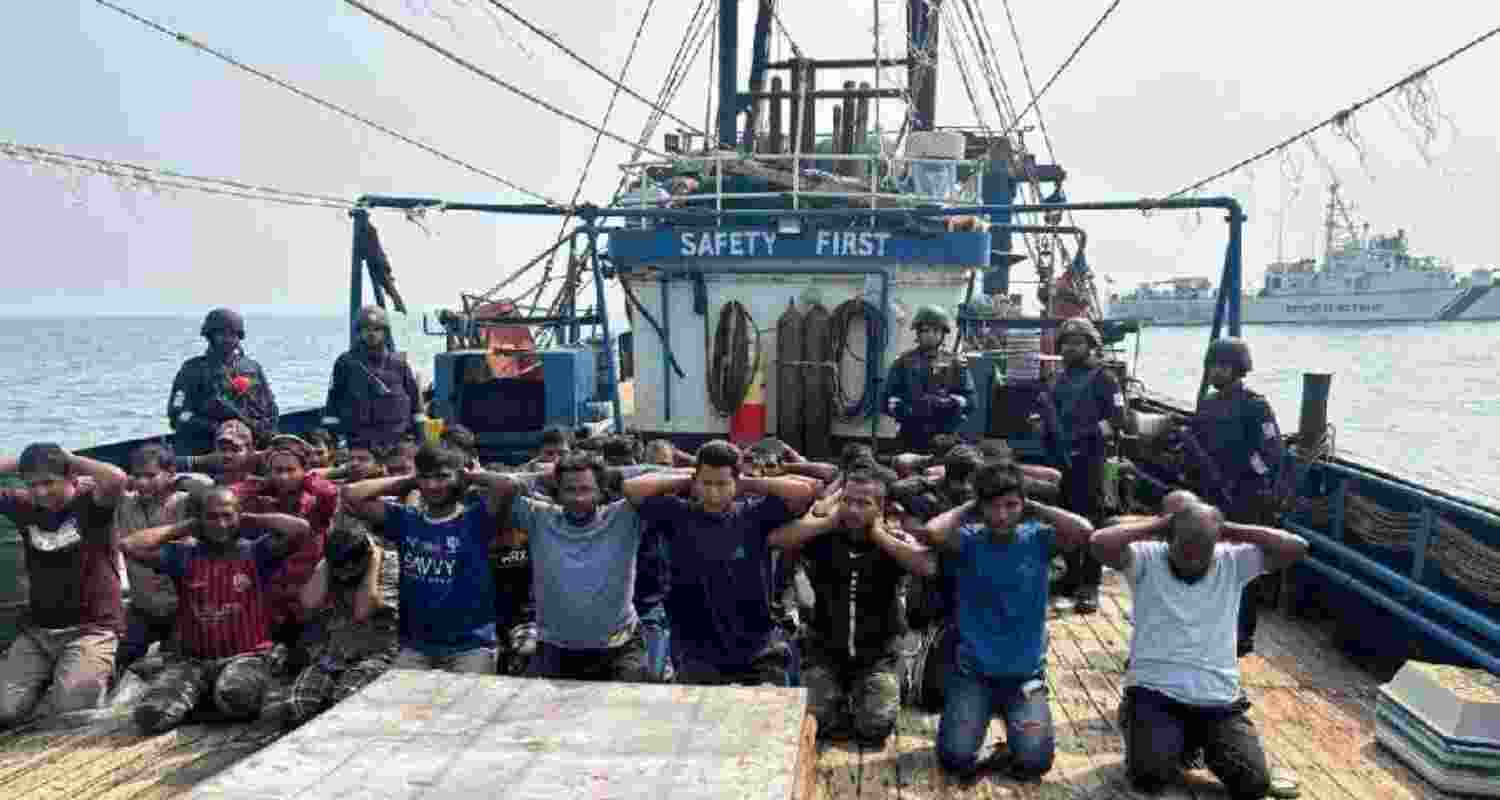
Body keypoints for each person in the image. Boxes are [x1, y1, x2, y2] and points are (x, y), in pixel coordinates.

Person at [1091, 502, 1308, 799]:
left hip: (1217, 703)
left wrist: (1226, 528)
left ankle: (1194, 742)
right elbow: (1098, 542)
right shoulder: (1146, 558)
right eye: (1185, 550)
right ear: (1169, 540)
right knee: (1149, 775)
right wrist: (1160, 524)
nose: (1192, 561)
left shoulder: (1232, 561)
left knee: (1254, 783)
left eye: (1202, 552)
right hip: (1155, 694)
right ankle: (1156, 730)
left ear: (1216, 545)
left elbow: (1297, 547)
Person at [920, 461, 1094, 783]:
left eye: (1011, 505)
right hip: (974, 674)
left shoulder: (1038, 540)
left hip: (1024, 677)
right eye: (993, 506)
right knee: (955, 756)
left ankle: (1010, 736)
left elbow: (1084, 531)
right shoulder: (968, 541)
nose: (1002, 515)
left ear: (1023, 505)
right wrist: (972, 505)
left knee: (1035, 761)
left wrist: (1035, 506)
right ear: (981, 506)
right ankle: (984, 726)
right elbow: (932, 532)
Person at [122, 487, 311, 733]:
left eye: (227, 516)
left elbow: (301, 529)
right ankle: (203, 696)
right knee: (151, 716)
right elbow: (129, 545)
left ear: (238, 516)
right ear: (199, 520)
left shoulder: (257, 552)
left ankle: (209, 699)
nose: (221, 524)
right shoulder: (183, 556)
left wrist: (250, 518)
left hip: (248, 657)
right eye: (211, 517)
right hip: (194, 662)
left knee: (238, 697)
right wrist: (186, 527)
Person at [769, 469, 936, 746]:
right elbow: (777, 539)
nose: (853, 510)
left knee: (875, 727)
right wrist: (826, 522)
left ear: (880, 508)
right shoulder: (823, 538)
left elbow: (927, 565)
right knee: (819, 720)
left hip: (878, 655)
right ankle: (840, 696)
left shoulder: (892, 543)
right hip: (825, 652)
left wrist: (879, 535)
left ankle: (885, 684)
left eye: (863, 503)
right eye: (847, 501)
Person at [632, 440, 817, 686]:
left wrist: (747, 482)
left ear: (735, 484)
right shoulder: (677, 515)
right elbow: (632, 489)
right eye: (706, 484)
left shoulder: (753, 515)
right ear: (696, 482)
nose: (713, 493)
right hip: (696, 651)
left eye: (722, 484)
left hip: (758, 647)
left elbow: (804, 491)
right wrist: (687, 479)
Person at [341, 444, 501, 674]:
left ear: (458, 478)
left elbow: (507, 486)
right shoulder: (406, 520)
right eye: (426, 477)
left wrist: (469, 476)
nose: (433, 485)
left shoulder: (476, 519)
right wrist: (409, 480)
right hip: (416, 647)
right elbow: (351, 494)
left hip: (471, 647)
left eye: (442, 477)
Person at [0, 444, 127, 727]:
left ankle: (104, 671)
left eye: (48, 482)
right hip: (39, 633)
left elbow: (117, 478)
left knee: (71, 712)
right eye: (32, 484)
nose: (40, 492)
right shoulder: (24, 506)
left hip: (92, 629)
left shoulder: (92, 505)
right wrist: (24, 461)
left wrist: (66, 458)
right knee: (4, 711)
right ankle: (54, 678)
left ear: (72, 478)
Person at [1183, 337, 1288, 656]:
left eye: (1223, 366)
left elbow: (1271, 452)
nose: (1216, 371)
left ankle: (1242, 634)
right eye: (1213, 365)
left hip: (1244, 498)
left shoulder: (1255, 406)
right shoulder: (1208, 404)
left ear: (1239, 368)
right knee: (1207, 561)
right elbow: (1198, 445)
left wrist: (1242, 477)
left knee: (1244, 566)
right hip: (1210, 496)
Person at [1045, 316, 1129, 614]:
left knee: (1093, 519)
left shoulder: (1104, 379)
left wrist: (1087, 434)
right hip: (1062, 459)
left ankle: (1090, 583)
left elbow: (1118, 419)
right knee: (1065, 517)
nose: (1071, 348)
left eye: (1078, 342)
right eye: (1066, 343)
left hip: (1092, 459)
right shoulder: (1057, 381)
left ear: (1091, 345)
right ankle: (1071, 575)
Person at [285, 519, 398, 726]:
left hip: (377, 655)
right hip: (337, 654)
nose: (345, 574)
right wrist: (328, 562)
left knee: (345, 705)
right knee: (298, 706)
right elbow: (309, 601)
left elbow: (362, 610)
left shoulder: (389, 565)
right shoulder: (333, 564)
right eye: (339, 567)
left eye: (351, 567)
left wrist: (374, 561)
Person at [113, 444, 189, 676]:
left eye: (150, 476)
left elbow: (207, 487)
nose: (142, 482)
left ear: (170, 473)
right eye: (137, 476)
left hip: (182, 608)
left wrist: (182, 479)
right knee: (123, 659)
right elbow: (105, 479)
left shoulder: (185, 503)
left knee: (174, 666)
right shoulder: (125, 504)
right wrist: (124, 481)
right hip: (142, 606)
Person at [167, 308, 278, 456]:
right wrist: (215, 427)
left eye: (233, 334)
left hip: (251, 443)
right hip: (207, 448)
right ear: (210, 336)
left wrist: (262, 428)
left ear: (239, 337)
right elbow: (178, 414)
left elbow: (270, 406)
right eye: (221, 334)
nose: (228, 339)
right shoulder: (192, 369)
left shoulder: (252, 367)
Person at [322, 306, 424, 449]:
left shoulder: (399, 363)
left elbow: (415, 402)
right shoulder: (345, 363)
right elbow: (333, 401)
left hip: (395, 443)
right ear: (359, 332)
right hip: (358, 442)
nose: (371, 333)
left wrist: (420, 437)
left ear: (384, 332)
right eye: (366, 329)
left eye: (377, 329)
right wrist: (334, 439)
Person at [884, 305, 976, 453]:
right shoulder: (903, 362)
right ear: (918, 333)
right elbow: (887, 399)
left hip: (945, 437)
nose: (930, 335)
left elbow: (971, 401)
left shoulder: (955, 363)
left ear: (943, 334)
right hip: (910, 435)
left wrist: (949, 404)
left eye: (936, 331)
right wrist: (906, 410)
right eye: (926, 330)